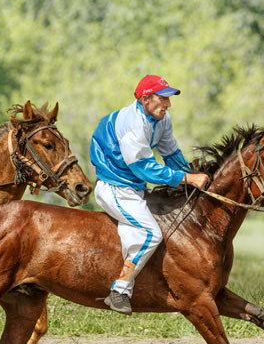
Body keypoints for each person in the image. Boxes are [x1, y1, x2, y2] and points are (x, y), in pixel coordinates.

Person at [89, 75, 210, 315]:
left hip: (135, 187)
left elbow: (170, 152)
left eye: (169, 99)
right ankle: (119, 291)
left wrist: (189, 173)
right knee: (150, 233)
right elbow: (144, 168)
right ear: (145, 99)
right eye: (163, 98)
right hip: (115, 188)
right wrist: (188, 179)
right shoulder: (132, 123)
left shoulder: (161, 118)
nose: (168, 104)